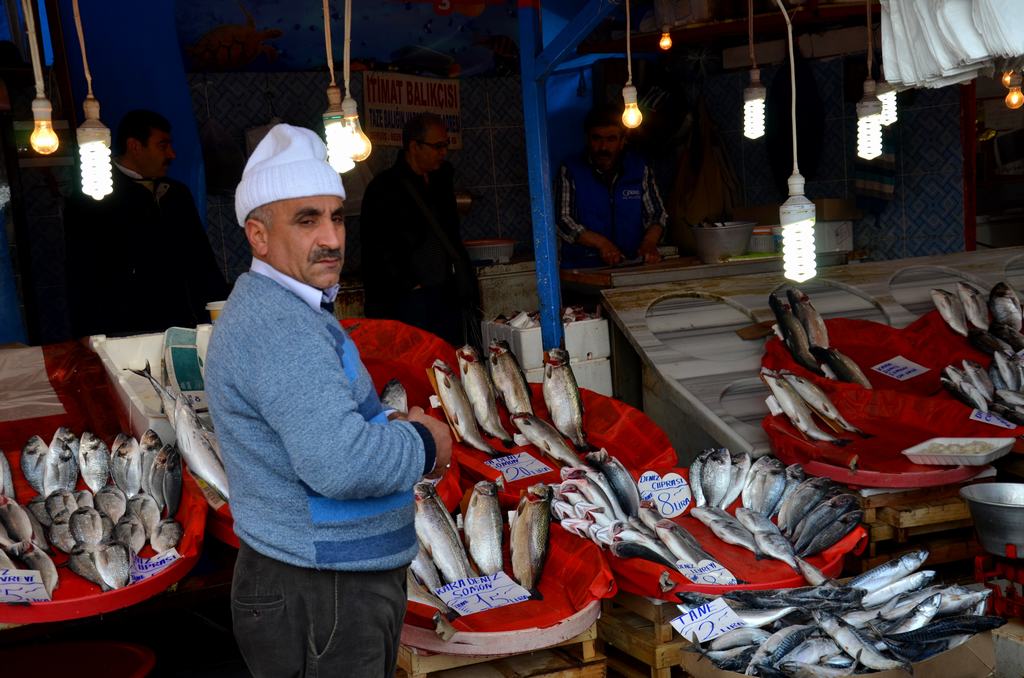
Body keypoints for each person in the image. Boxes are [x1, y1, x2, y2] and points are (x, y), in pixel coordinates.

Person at [204, 124, 453, 677]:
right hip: (322, 594)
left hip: (322, 585)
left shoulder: (291, 310)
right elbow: (338, 463)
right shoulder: (280, 325)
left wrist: (382, 425)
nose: (333, 238)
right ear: (258, 235)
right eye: (306, 219)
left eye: (336, 216)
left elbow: (324, 432)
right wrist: (424, 441)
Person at [63, 109, 228, 337]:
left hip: (186, 325)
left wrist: (223, 310)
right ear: (135, 146)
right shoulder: (93, 198)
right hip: (128, 331)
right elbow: (83, 274)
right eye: (162, 145)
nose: (172, 154)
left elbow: (202, 261)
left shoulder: (176, 194)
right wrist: (89, 333)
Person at [360, 112, 480, 347]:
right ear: (414, 146)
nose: (443, 152)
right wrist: (410, 284)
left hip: (444, 294)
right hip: (407, 300)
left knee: (451, 362)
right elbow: (377, 246)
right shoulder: (384, 189)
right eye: (437, 146)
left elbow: (450, 234)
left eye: (446, 145)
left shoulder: (441, 180)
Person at [556, 105, 669, 269]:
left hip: (633, 266)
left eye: (611, 139)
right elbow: (562, 221)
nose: (603, 147)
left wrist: (649, 243)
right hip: (584, 269)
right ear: (588, 138)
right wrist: (602, 244)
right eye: (597, 138)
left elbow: (657, 215)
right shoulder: (570, 170)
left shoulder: (639, 168)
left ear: (623, 141)